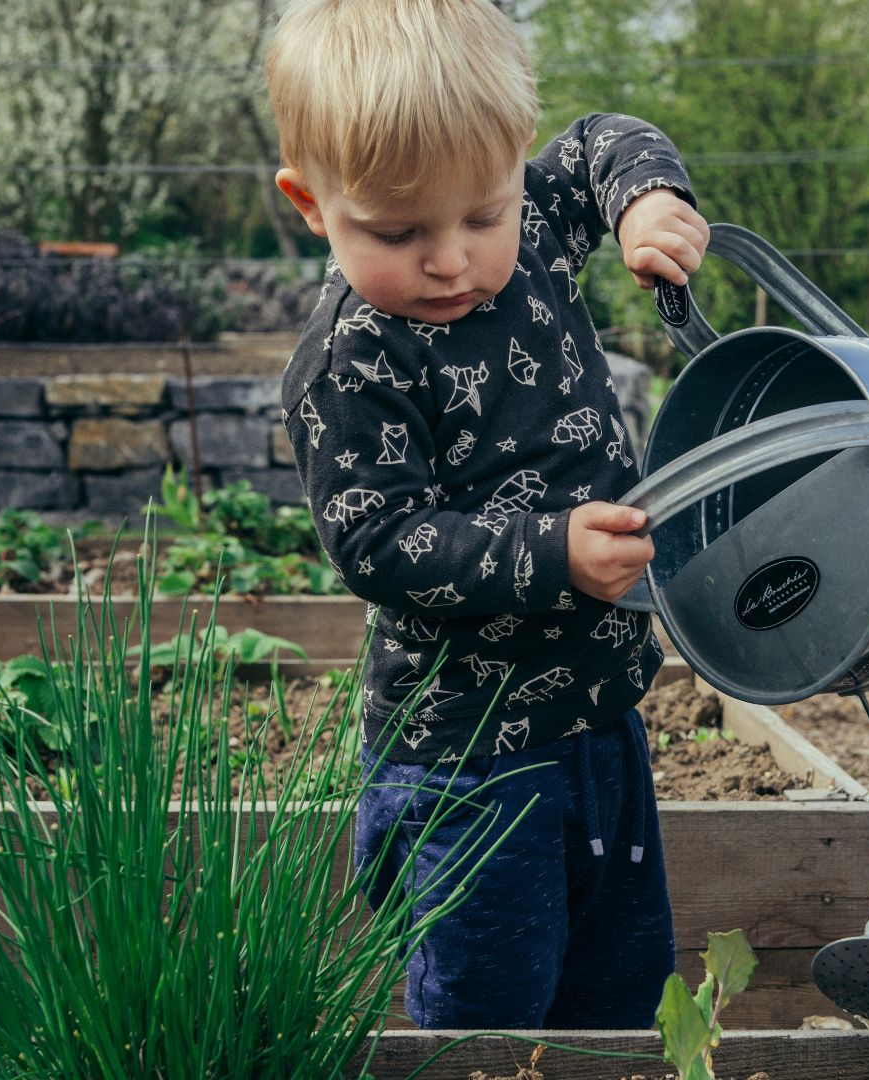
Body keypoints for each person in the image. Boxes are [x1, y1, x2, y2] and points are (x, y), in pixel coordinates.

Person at [266, 0, 710, 1029]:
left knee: (618, 983)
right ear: (309, 204)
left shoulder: (539, 223)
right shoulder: (354, 360)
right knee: (490, 1010)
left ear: (514, 169)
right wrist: (549, 552)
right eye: (397, 231)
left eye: (483, 215)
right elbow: (377, 538)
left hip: (602, 716)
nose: (452, 259)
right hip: (469, 754)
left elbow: (605, 139)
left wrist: (645, 202)